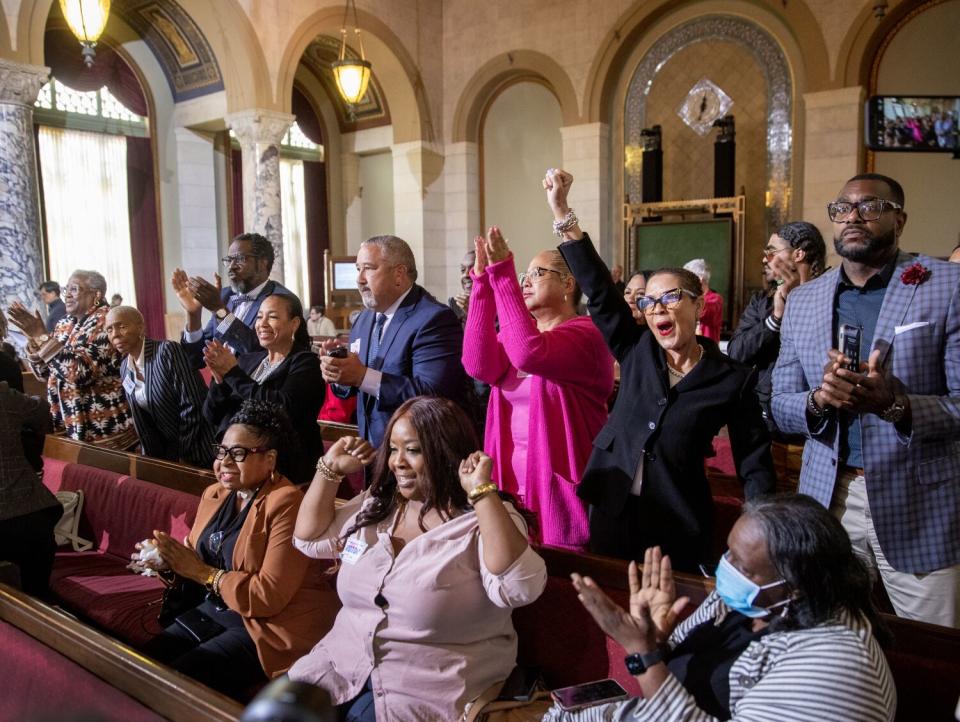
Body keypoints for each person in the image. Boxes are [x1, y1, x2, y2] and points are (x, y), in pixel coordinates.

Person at [545, 169, 776, 571]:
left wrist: (762, 527)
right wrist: (564, 213)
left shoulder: (732, 379)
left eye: (670, 297)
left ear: (699, 305)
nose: (658, 309)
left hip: (677, 520)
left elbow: (754, 462)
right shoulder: (636, 348)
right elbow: (599, 291)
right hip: (611, 504)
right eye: (649, 302)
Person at [772, 172, 960, 628]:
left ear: (900, 219)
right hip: (829, 495)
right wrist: (819, 399)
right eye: (842, 210)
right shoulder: (806, 299)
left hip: (919, 499)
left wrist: (895, 405)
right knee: (827, 634)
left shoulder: (946, 285)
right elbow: (779, 401)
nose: (853, 217)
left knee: (934, 645)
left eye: (870, 207)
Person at [287, 397, 547, 721]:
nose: (397, 462)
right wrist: (329, 469)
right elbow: (309, 539)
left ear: (445, 453)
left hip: (424, 689)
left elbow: (519, 586)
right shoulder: (380, 505)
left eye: (412, 450)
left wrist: (482, 493)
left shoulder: (484, 518)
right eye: (393, 450)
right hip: (339, 666)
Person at [544, 495, 896, 721]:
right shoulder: (748, 600)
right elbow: (671, 679)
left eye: (740, 565)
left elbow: (654, 675)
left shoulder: (834, 666)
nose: (724, 568)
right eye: (727, 552)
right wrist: (659, 640)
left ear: (796, 584)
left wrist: (644, 656)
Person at [138, 401, 335, 699]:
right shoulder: (214, 493)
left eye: (239, 453)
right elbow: (193, 559)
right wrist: (167, 562)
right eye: (222, 451)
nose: (225, 462)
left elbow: (268, 596)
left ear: (270, 459)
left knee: (173, 687)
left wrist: (201, 572)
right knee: (140, 665)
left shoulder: (286, 503)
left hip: (266, 627)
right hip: (215, 611)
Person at [462, 226, 614, 550]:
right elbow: (477, 364)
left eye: (538, 273)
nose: (525, 281)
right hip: (508, 482)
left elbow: (529, 353)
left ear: (568, 284)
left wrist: (503, 274)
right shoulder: (522, 335)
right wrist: (482, 286)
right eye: (522, 275)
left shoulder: (586, 334)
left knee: (557, 589)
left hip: (557, 491)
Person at [319, 235, 467, 448]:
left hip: (417, 451)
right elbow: (355, 387)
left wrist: (361, 376)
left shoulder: (433, 319)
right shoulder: (363, 319)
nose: (359, 279)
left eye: (368, 268)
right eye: (357, 269)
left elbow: (432, 394)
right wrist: (339, 373)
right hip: (370, 450)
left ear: (399, 274)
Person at [203, 294, 323, 484]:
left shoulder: (305, 362)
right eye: (259, 317)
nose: (262, 324)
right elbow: (212, 415)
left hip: (284, 468)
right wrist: (220, 381)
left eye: (273, 317)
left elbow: (282, 408)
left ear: (294, 323)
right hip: (239, 464)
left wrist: (232, 373)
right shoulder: (248, 360)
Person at [8, 270, 136, 449]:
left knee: (107, 477)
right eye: (65, 289)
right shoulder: (64, 323)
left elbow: (79, 374)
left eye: (74, 289)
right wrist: (34, 340)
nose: (66, 294)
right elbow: (43, 373)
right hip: (67, 426)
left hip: (104, 428)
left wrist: (42, 337)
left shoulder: (107, 321)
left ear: (96, 294)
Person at [727, 222, 826, 438]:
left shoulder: (828, 298)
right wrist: (775, 319)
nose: (765, 259)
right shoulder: (762, 301)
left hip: (815, 421)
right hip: (764, 420)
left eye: (771, 252)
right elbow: (736, 352)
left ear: (798, 254)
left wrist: (798, 303)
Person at [105, 306, 216, 468]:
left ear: (141, 327)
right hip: (168, 454)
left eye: (122, 326)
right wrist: (153, 461)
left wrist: (182, 454)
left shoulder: (166, 352)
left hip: (200, 447)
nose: (115, 334)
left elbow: (194, 404)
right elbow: (143, 420)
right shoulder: (125, 368)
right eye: (109, 329)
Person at [174, 232, 296, 368]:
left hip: (254, 385)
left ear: (262, 263)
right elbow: (195, 359)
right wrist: (193, 315)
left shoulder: (281, 300)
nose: (231, 266)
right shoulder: (225, 295)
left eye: (239, 259)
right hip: (221, 387)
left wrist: (219, 310)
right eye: (229, 260)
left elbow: (260, 351)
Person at [0, 380, 59, 597]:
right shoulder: (3, 395)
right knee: (38, 594)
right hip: (27, 513)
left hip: (23, 517)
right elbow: (42, 410)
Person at [683, 258, 723, 342]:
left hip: (708, 349)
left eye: (688, 279)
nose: (685, 283)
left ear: (699, 280)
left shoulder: (715, 299)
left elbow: (703, 311)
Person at [448, 248, 476, 323]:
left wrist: (474, 314)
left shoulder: (501, 307)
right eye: (463, 270)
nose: (466, 275)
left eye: (473, 270)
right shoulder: (456, 307)